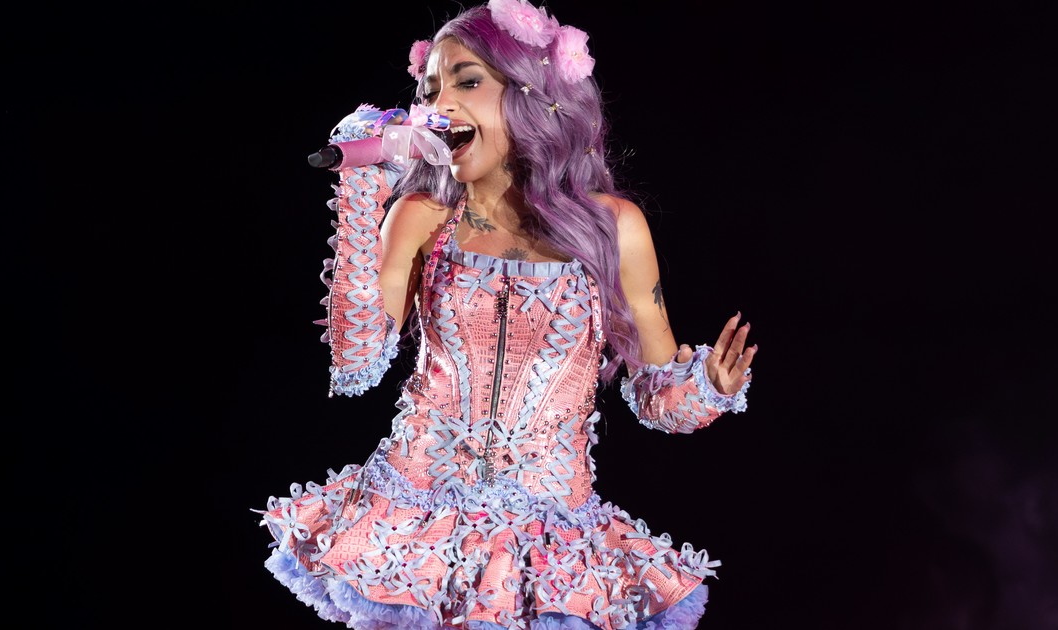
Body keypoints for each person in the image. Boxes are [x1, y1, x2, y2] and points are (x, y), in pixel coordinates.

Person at [256, 1, 758, 628]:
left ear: (532, 96)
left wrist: (708, 385)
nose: (440, 105)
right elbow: (355, 361)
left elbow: (660, 399)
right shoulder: (422, 216)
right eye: (429, 90)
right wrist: (362, 190)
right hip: (414, 526)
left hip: (548, 546)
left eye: (467, 82)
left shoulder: (611, 227)